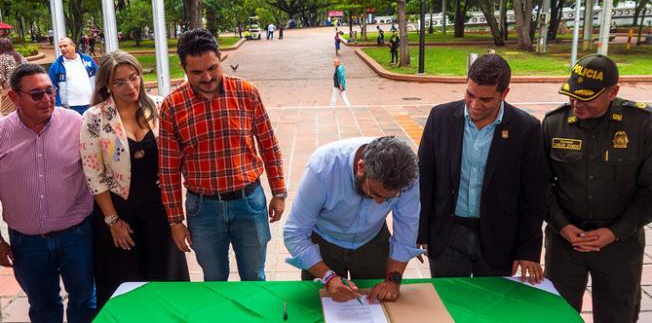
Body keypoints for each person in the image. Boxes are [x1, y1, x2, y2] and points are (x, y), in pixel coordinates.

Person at [159, 29, 287, 282]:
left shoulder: (247, 92)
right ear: (184, 69)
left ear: (220, 58)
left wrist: (279, 192)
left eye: (212, 68)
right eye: (196, 72)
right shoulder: (172, 106)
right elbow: (168, 169)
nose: (207, 77)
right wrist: (175, 221)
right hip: (202, 209)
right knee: (214, 282)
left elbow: (268, 145)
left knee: (254, 278)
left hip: (249, 202)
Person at [417, 54, 546, 283]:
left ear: (504, 94)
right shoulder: (440, 117)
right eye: (470, 94)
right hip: (447, 234)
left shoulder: (526, 129)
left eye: (485, 100)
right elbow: (425, 178)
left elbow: (533, 195)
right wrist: (420, 232)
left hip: (499, 238)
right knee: (451, 306)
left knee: (490, 310)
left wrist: (528, 250)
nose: (475, 105)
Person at [543, 54, 652, 322]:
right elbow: (540, 185)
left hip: (619, 244)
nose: (576, 104)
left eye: (587, 98)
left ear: (613, 92)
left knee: (618, 314)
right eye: (572, 95)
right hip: (565, 242)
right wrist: (563, 226)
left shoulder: (641, 125)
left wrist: (614, 232)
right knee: (557, 315)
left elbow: (650, 190)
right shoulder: (554, 124)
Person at [80, 51, 189, 308]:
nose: (130, 87)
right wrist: (112, 220)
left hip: (159, 210)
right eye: (120, 82)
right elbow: (93, 175)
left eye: (134, 77)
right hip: (118, 212)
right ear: (106, 85)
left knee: (167, 285)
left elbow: (179, 153)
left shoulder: (160, 106)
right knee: (126, 290)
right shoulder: (94, 117)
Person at [0, 64, 96, 322]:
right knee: (43, 306)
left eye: (50, 91)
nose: (47, 99)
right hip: (28, 243)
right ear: (14, 97)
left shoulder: (76, 123)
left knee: (86, 300)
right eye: (36, 94)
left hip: (77, 236)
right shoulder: (2, 133)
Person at [284, 136, 421, 303]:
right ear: (361, 168)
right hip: (324, 241)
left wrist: (392, 281)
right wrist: (328, 278)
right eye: (375, 194)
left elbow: (407, 227)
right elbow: (294, 232)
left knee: (379, 303)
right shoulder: (323, 168)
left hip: (372, 241)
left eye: (389, 199)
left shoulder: (407, 176)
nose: (380, 203)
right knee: (317, 305)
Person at [48, 37, 98, 115]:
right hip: (70, 108)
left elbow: (100, 76)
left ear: (73, 46)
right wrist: (58, 106)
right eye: (60, 47)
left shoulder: (88, 60)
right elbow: (52, 88)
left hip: (91, 105)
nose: (62, 49)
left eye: (65, 46)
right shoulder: (55, 66)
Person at [0, 38, 27, 116]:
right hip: (22, 88)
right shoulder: (19, 56)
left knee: (7, 113)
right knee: (21, 112)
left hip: (9, 90)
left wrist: (4, 86)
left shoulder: (2, 58)